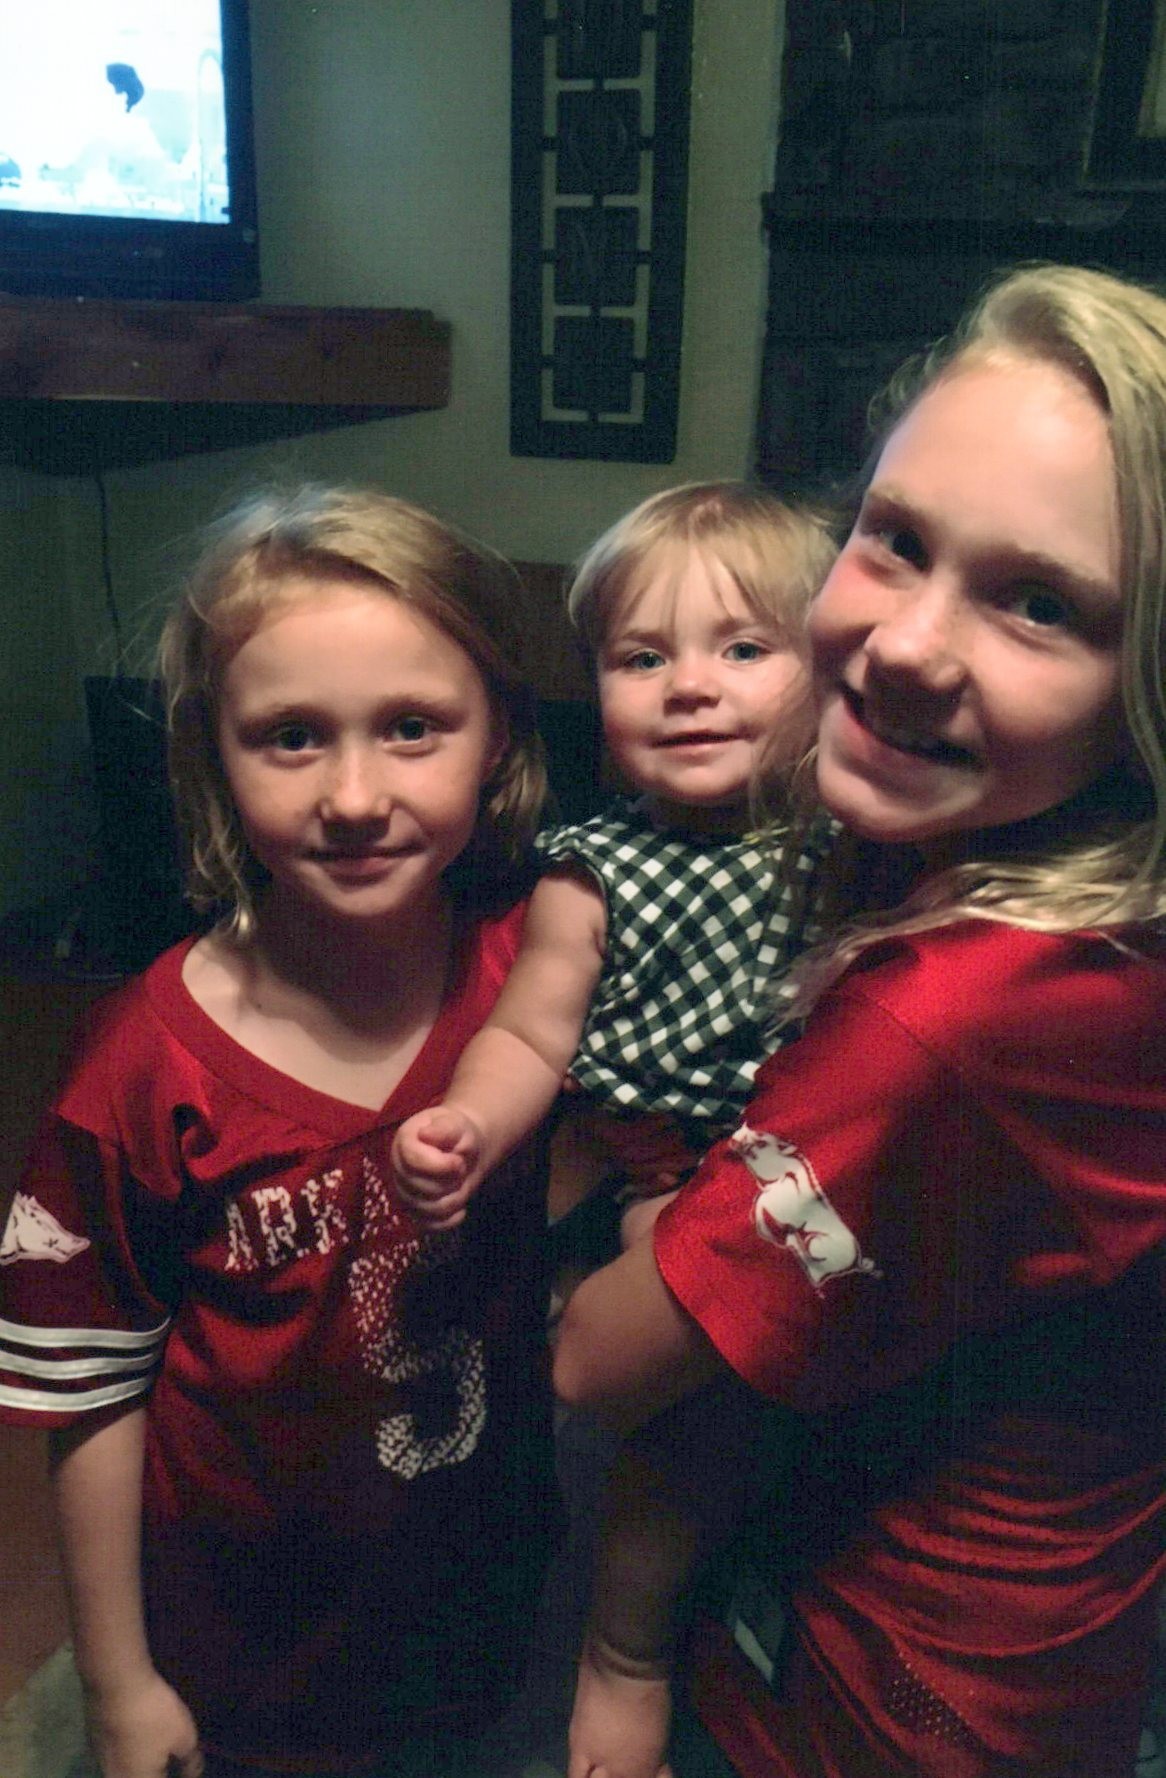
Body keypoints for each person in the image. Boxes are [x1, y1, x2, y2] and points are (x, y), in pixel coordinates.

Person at [553, 262, 1166, 1778]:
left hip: (873, 1687)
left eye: (1040, 603)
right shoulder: (1051, 866)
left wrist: (620, 1225)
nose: (903, 645)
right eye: (894, 540)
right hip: (1065, 1634)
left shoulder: (954, 1019)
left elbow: (595, 1365)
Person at [0, 486, 555, 1778]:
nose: (355, 796)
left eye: (412, 727)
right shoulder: (141, 1067)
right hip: (242, 1635)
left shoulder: (533, 973)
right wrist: (119, 1678)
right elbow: (87, 1394)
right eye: (291, 737)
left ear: (495, 736)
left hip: (479, 1592)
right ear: (211, 757)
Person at [392, 482, 837, 1237]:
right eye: (643, 658)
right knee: (652, 1241)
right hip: (655, 1175)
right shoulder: (592, 875)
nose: (689, 686)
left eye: (744, 649)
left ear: (831, 668)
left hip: (818, 1158)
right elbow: (528, 1038)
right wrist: (471, 1123)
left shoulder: (852, 845)